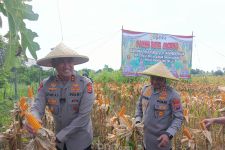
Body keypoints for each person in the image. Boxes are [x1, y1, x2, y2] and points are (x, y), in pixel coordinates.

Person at [29, 42, 95, 150]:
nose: (66, 66)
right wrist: (34, 118)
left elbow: (83, 117)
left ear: (73, 63)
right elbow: (37, 106)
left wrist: (59, 137)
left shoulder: (85, 84)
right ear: (54, 64)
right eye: (61, 62)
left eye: (69, 61)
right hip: (58, 143)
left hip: (80, 142)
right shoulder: (46, 84)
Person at [135, 62, 183, 150]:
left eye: (158, 79)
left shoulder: (173, 95)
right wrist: (138, 121)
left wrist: (168, 134)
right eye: (152, 78)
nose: (154, 81)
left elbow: (178, 117)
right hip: (146, 141)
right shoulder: (145, 90)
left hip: (162, 143)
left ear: (165, 79)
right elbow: (139, 107)